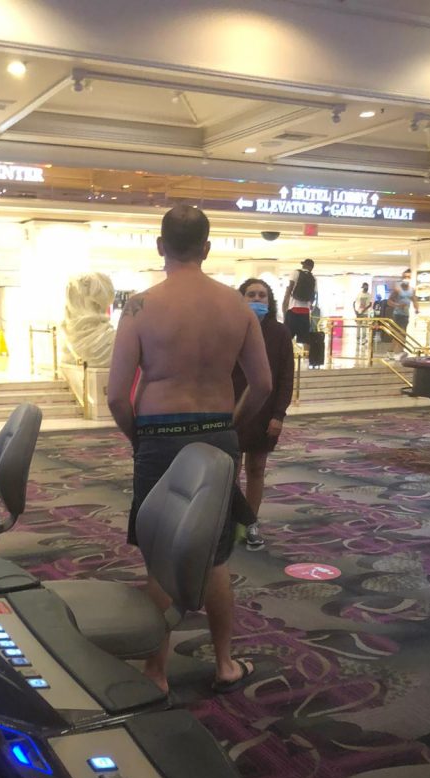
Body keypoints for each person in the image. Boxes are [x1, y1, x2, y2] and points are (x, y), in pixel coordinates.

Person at [107, 204, 271, 695]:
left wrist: (138, 438)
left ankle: (156, 671)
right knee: (214, 553)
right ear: (207, 247)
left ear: (161, 246)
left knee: (161, 553)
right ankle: (224, 663)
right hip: (217, 430)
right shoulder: (237, 307)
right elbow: (262, 385)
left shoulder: (140, 306)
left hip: (158, 433)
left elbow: (116, 396)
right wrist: (230, 426)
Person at [232, 279, 293, 551]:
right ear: (241, 299)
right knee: (230, 472)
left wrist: (279, 414)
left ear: (270, 301)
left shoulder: (279, 333)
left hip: (265, 412)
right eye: (251, 295)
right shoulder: (231, 328)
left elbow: (285, 377)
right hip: (233, 411)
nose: (257, 299)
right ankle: (231, 520)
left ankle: (250, 523)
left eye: (262, 295)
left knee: (256, 469)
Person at [282, 258, 317, 348]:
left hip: (293, 309)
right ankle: (307, 355)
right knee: (305, 339)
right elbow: (313, 296)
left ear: (304, 265)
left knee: (287, 337)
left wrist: (284, 305)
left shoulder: (296, 273)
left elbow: (290, 289)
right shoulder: (313, 278)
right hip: (305, 312)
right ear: (312, 267)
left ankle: (287, 354)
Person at [386, 268, 418, 352]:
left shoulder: (412, 290)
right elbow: (389, 302)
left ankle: (399, 351)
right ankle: (392, 351)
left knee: (403, 334)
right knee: (397, 334)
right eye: (405, 277)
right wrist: (398, 305)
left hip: (406, 315)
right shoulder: (398, 289)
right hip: (397, 314)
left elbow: (414, 300)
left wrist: (416, 309)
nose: (406, 279)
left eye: (408, 277)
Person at [353, 281, 372, 349]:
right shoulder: (359, 294)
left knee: (364, 327)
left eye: (367, 287)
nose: (366, 289)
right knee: (358, 327)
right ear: (363, 287)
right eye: (365, 287)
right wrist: (355, 311)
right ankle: (358, 339)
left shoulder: (369, 295)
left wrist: (364, 309)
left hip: (365, 313)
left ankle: (364, 339)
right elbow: (354, 302)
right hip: (358, 313)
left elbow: (370, 304)